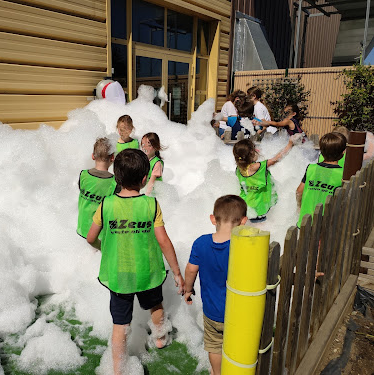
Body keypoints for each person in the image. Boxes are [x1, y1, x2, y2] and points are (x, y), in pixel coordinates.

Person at [87, 149, 184, 375]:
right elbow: (164, 242)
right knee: (155, 306)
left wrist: (104, 248)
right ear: (143, 179)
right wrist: (177, 272)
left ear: (116, 177)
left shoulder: (106, 204)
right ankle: (160, 337)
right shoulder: (151, 205)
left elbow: (91, 237)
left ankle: (119, 368)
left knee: (120, 325)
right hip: (148, 273)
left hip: (120, 276)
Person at [184, 195, 248, 375]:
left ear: (213, 219)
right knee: (238, 343)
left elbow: (190, 270)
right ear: (243, 221)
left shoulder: (201, 243)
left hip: (212, 312)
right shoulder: (242, 246)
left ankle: (217, 372)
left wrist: (188, 290)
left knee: (214, 346)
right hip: (238, 312)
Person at [233, 138, 294, 222]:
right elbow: (276, 159)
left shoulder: (239, 168)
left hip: (246, 206)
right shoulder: (256, 167)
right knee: (258, 231)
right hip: (258, 208)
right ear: (251, 152)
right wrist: (290, 144)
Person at [296, 132, 346, 227]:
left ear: (321, 151)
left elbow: (299, 191)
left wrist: (299, 207)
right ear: (343, 152)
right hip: (326, 223)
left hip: (305, 220)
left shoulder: (311, 168)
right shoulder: (342, 174)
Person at [77, 137, 117, 244]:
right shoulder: (114, 182)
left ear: (93, 156)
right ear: (112, 157)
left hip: (82, 228)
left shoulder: (83, 175)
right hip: (99, 235)